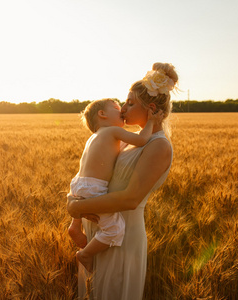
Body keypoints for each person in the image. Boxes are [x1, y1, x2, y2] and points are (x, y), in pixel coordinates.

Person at [67, 62, 178, 300]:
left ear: (149, 108)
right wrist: (77, 220)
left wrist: (76, 208)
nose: (124, 108)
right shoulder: (129, 139)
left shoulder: (158, 145)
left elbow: (130, 199)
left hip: (123, 238)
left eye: (129, 103)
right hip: (101, 234)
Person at [68, 98, 161, 273]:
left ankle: (75, 225)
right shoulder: (113, 131)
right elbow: (141, 140)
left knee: (81, 200)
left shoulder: (94, 137)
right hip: (94, 188)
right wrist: (151, 122)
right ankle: (85, 254)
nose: (122, 112)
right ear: (102, 114)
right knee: (114, 230)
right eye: (117, 108)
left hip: (79, 184)